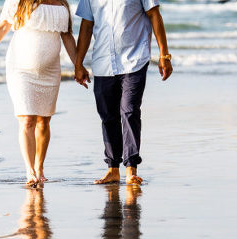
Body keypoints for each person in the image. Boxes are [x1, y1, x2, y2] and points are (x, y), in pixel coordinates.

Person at [0, 0, 78, 186]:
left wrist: (78, 65)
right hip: (20, 68)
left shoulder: (62, 4)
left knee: (44, 121)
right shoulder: (19, 1)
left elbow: (67, 36)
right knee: (27, 119)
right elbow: (3, 27)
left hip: (50, 71)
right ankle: (30, 170)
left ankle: (39, 167)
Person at [74, 0, 172, 185]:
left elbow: (154, 15)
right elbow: (86, 25)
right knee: (108, 116)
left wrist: (164, 55)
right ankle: (112, 169)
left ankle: (131, 169)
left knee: (129, 111)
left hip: (134, 59)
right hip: (103, 62)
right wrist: (78, 64)